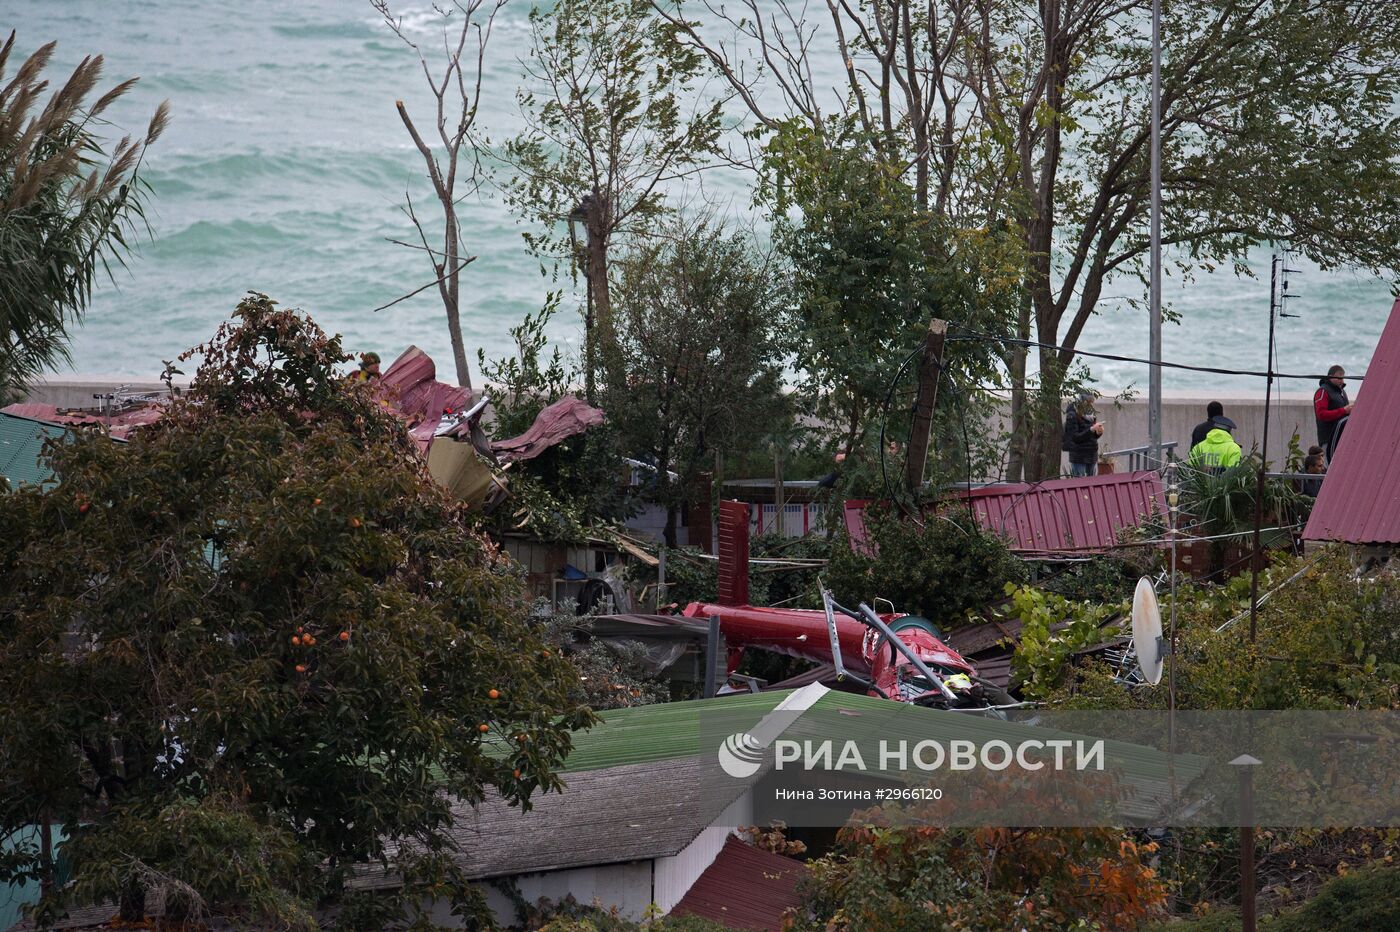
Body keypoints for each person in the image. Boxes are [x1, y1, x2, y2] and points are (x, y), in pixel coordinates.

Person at [1062, 390, 1104, 477]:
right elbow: (1075, 437)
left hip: (1091, 454)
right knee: (1079, 483)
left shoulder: (1091, 415)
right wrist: (1092, 429)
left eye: (1091, 402)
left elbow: (1091, 436)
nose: (1090, 405)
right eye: (1088, 402)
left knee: (1092, 483)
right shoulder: (1072, 414)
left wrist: (1098, 432)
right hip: (1079, 456)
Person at [1314, 364, 1352, 456]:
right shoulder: (1323, 391)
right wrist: (1343, 411)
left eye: (1343, 378)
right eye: (1339, 378)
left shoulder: (1342, 392)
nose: (1342, 381)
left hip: (1341, 437)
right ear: (1330, 377)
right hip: (1328, 438)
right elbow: (1321, 414)